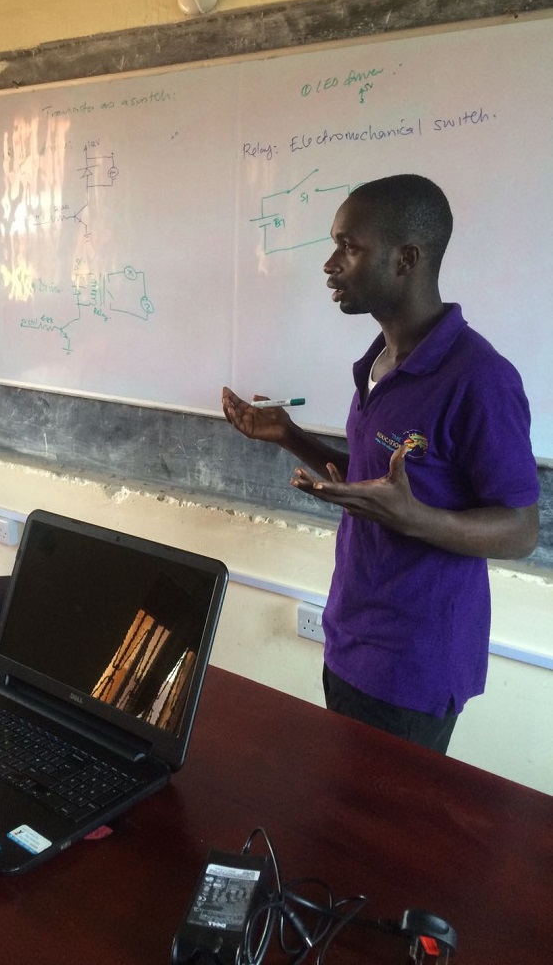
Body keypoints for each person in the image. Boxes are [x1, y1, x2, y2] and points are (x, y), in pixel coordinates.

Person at [222, 174, 539, 753]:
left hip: (414, 661)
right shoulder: (378, 360)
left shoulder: (479, 377)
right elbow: (374, 482)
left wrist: (415, 519)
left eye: (348, 246)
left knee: (380, 836)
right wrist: (291, 437)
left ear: (406, 259)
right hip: (351, 633)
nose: (330, 264)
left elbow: (521, 530)